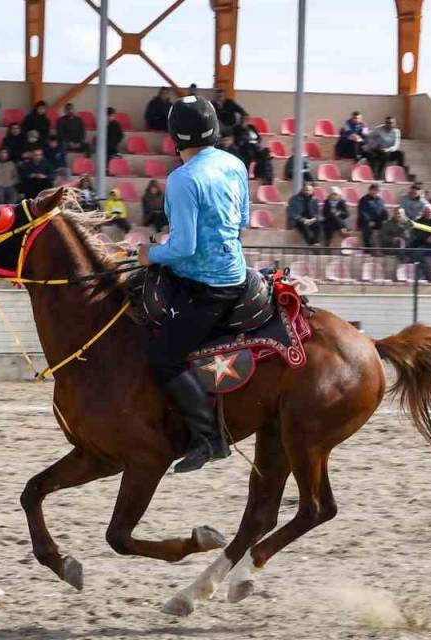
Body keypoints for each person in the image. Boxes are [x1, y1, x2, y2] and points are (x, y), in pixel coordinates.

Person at [135, 95, 249, 474]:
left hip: (208, 286)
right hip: (236, 271)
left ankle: (209, 438)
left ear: (174, 137)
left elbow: (183, 246)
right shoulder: (234, 164)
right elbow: (242, 221)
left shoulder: (182, 179)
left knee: (163, 358)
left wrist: (150, 253)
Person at [356, 183, 388, 250]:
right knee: (367, 227)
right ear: (369, 190)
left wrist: (385, 219)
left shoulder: (380, 200)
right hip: (366, 221)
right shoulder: (363, 199)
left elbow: (384, 211)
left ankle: (383, 248)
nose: (375, 192)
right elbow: (362, 212)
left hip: (378, 221)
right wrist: (369, 221)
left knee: (387, 227)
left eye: (377, 190)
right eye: (373, 190)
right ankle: (367, 248)